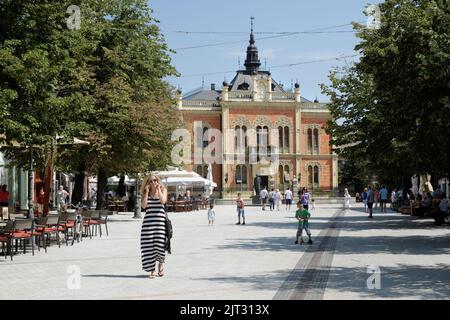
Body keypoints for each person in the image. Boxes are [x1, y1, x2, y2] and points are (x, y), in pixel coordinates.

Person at [140, 173, 168, 279]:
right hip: (148, 224)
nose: (153, 183)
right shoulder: (144, 192)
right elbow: (143, 206)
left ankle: (160, 264)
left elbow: (163, 201)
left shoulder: (163, 190)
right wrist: (146, 192)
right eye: (150, 181)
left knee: (160, 246)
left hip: (160, 223)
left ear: (158, 181)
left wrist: (159, 190)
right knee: (148, 248)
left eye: (155, 180)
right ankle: (151, 270)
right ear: (147, 183)